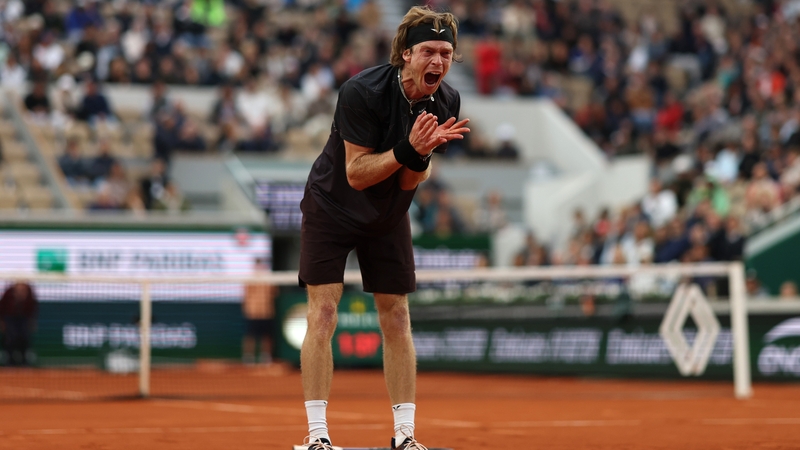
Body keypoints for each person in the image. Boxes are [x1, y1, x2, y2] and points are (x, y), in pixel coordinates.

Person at [297, 6, 469, 450]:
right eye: (429, 51)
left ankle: (405, 436)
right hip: (331, 207)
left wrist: (419, 156)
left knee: (397, 317)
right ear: (406, 54)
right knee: (324, 313)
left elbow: (411, 178)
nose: (438, 61)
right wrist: (407, 148)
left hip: (388, 213)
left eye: (446, 53)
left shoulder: (446, 101)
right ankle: (317, 437)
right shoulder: (361, 91)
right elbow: (356, 174)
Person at [241, 258, 277, 364]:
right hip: (253, 312)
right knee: (250, 335)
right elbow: (246, 295)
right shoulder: (250, 279)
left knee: (266, 336)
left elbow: (274, 292)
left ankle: (265, 357)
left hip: (266, 312)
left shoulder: (269, 279)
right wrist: (247, 309)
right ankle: (248, 357)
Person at [0, 282, 39, 366]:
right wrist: (2, 322)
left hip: (23, 319)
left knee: (24, 338)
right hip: (10, 318)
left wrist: (32, 321)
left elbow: (33, 308)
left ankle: (24, 361)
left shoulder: (29, 292)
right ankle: (9, 361)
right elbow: (2, 307)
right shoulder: (8, 292)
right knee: (9, 339)